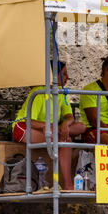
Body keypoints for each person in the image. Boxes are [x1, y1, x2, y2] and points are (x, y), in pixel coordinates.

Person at [13, 61, 86, 190]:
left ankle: (67, 184)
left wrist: (65, 124)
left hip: (51, 129)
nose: (67, 77)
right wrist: (46, 126)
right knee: (64, 139)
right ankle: (68, 185)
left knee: (81, 127)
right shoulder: (39, 92)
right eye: (64, 74)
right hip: (25, 128)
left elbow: (70, 117)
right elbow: (28, 120)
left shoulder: (61, 92)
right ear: (53, 76)